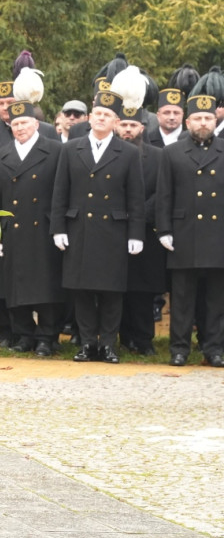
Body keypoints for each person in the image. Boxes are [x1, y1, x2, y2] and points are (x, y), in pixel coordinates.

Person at [50, 90, 144, 363]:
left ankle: (108, 345)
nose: (101, 119)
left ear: (116, 121)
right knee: (82, 291)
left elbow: (135, 198)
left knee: (111, 292)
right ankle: (88, 344)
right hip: (79, 228)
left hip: (113, 232)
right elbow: (60, 192)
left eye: (107, 115)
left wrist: (136, 234)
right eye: (98, 114)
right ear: (90, 118)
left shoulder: (127, 152)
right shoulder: (70, 149)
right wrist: (58, 228)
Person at [0, 101, 65, 355]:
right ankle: (24, 335)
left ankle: (47, 336)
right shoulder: (0, 156)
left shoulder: (55, 151)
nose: (20, 128)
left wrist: (58, 227)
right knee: (16, 284)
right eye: (15, 124)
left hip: (42, 227)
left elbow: (60, 193)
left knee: (45, 285)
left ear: (36, 124)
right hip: (14, 228)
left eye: (24, 123)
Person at [155, 93, 224, 367]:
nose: (203, 123)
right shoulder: (171, 153)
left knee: (215, 299)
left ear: (215, 119)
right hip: (184, 234)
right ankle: (180, 349)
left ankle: (214, 348)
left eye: (208, 118)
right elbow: (164, 196)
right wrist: (164, 230)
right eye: (198, 118)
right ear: (188, 121)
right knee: (182, 299)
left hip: (218, 235)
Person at [115, 105, 165, 355]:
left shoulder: (158, 156)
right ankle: (124, 337)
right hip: (114, 230)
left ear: (142, 128)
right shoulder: (111, 154)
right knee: (118, 287)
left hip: (147, 232)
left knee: (143, 290)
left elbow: (161, 192)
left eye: (132, 125)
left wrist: (137, 215)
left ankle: (144, 340)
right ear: (116, 126)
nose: (127, 130)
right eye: (123, 124)